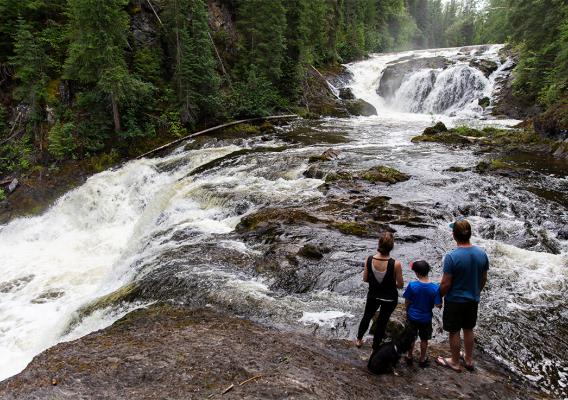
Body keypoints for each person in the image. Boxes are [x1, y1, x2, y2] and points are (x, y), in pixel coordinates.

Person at [436, 218, 489, 372]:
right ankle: (469, 359)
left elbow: (446, 283)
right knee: (468, 328)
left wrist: (438, 296)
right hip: (473, 299)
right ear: (470, 234)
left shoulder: (452, 257)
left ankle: (454, 361)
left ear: (454, 235)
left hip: (455, 300)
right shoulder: (482, 253)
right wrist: (476, 291)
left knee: (454, 331)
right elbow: (483, 278)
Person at [355, 232, 403, 350]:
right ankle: (375, 347)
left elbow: (365, 279)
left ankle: (359, 340)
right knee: (382, 321)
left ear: (379, 244)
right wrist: (390, 284)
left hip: (373, 295)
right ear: (392, 246)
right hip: (390, 297)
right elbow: (400, 285)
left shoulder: (369, 259)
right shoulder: (395, 264)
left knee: (367, 316)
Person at [403, 260, 442, 368]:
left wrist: (407, 310)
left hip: (412, 316)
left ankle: (409, 356)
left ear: (417, 273)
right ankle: (422, 358)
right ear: (428, 271)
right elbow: (438, 304)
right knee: (424, 339)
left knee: (411, 337)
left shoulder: (412, 285)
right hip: (426, 319)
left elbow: (407, 300)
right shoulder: (435, 288)